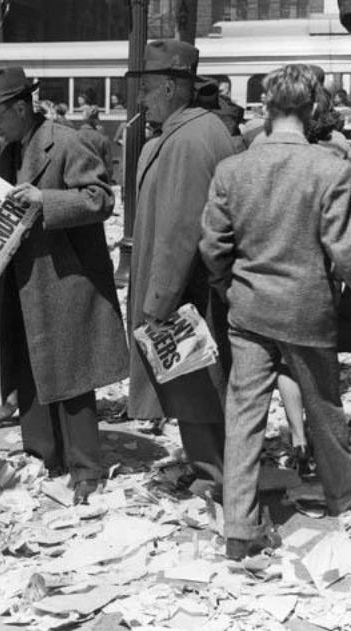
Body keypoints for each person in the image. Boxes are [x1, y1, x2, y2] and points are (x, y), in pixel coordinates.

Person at [200, 64, 351, 560]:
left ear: (266, 107)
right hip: (309, 309)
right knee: (324, 409)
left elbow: (214, 246)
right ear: (311, 110)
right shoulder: (331, 169)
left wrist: (228, 288)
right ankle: (341, 500)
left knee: (243, 413)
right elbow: (342, 251)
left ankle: (239, 528)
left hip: (248, 308)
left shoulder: (232, 169)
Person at [0, 67, 129, 502]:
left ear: (22, 108)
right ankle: (46, 454)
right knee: (29, 367)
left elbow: (100, 199)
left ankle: (86, 468)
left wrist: (47, 201)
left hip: (65, 275)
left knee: (72, 370)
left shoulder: (66, 142)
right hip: (22, 277)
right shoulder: (8, 151)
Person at [128, 40, 237, 487]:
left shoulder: (189, 140)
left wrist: (158, 299)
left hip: (187, 295)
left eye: (147, 88)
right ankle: (215, 470)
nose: (141, 99)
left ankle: (217, 475)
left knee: (196, 390)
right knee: (199, 386)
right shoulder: (195, 131)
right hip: (195, 290)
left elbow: (178, 230)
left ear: (172, 86)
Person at [77, 105, 113, 183]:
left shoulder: (74, 136)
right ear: (96, 120)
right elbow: (109, 167)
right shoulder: (103, 139)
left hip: (79, 182)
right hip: (98, 182)